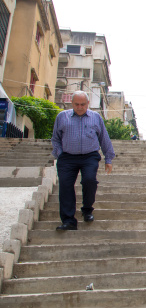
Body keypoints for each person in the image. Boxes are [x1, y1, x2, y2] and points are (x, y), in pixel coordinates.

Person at [51, 91, 115, 231]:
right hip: (67, 157)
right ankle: (68, 221)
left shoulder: (96, 118)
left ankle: (87, 210)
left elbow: (104, 138)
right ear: (72, 103)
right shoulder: (62, 117)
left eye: (83, 104)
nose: (80, 107)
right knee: (66, 186)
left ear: (88, 104)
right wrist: (60, 154)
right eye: (76, 104)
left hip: (89, 156)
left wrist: (108, 158)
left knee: (89, 180)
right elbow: (55, 138)